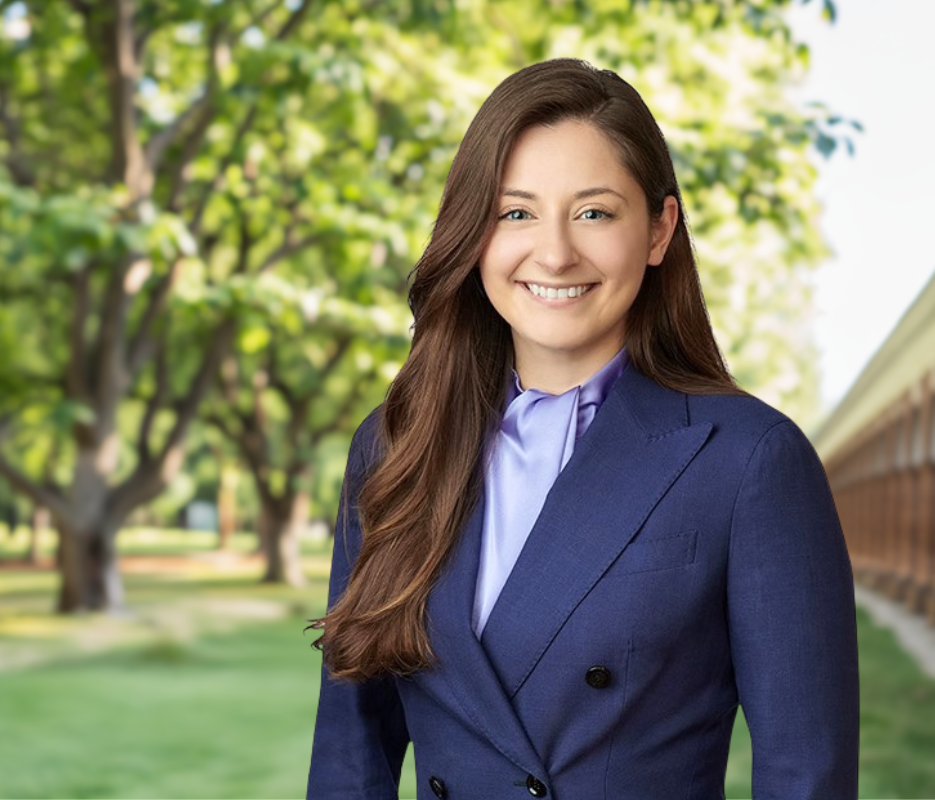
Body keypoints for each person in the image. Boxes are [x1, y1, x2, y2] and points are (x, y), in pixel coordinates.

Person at [305, 57, 858, 800]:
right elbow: (350, 752)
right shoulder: (395, 444)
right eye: (516, 213)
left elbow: (806, 776)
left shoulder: (751, 461)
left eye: (594, 212)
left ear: (659, 229)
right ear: (474, 234)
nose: (555, 252)